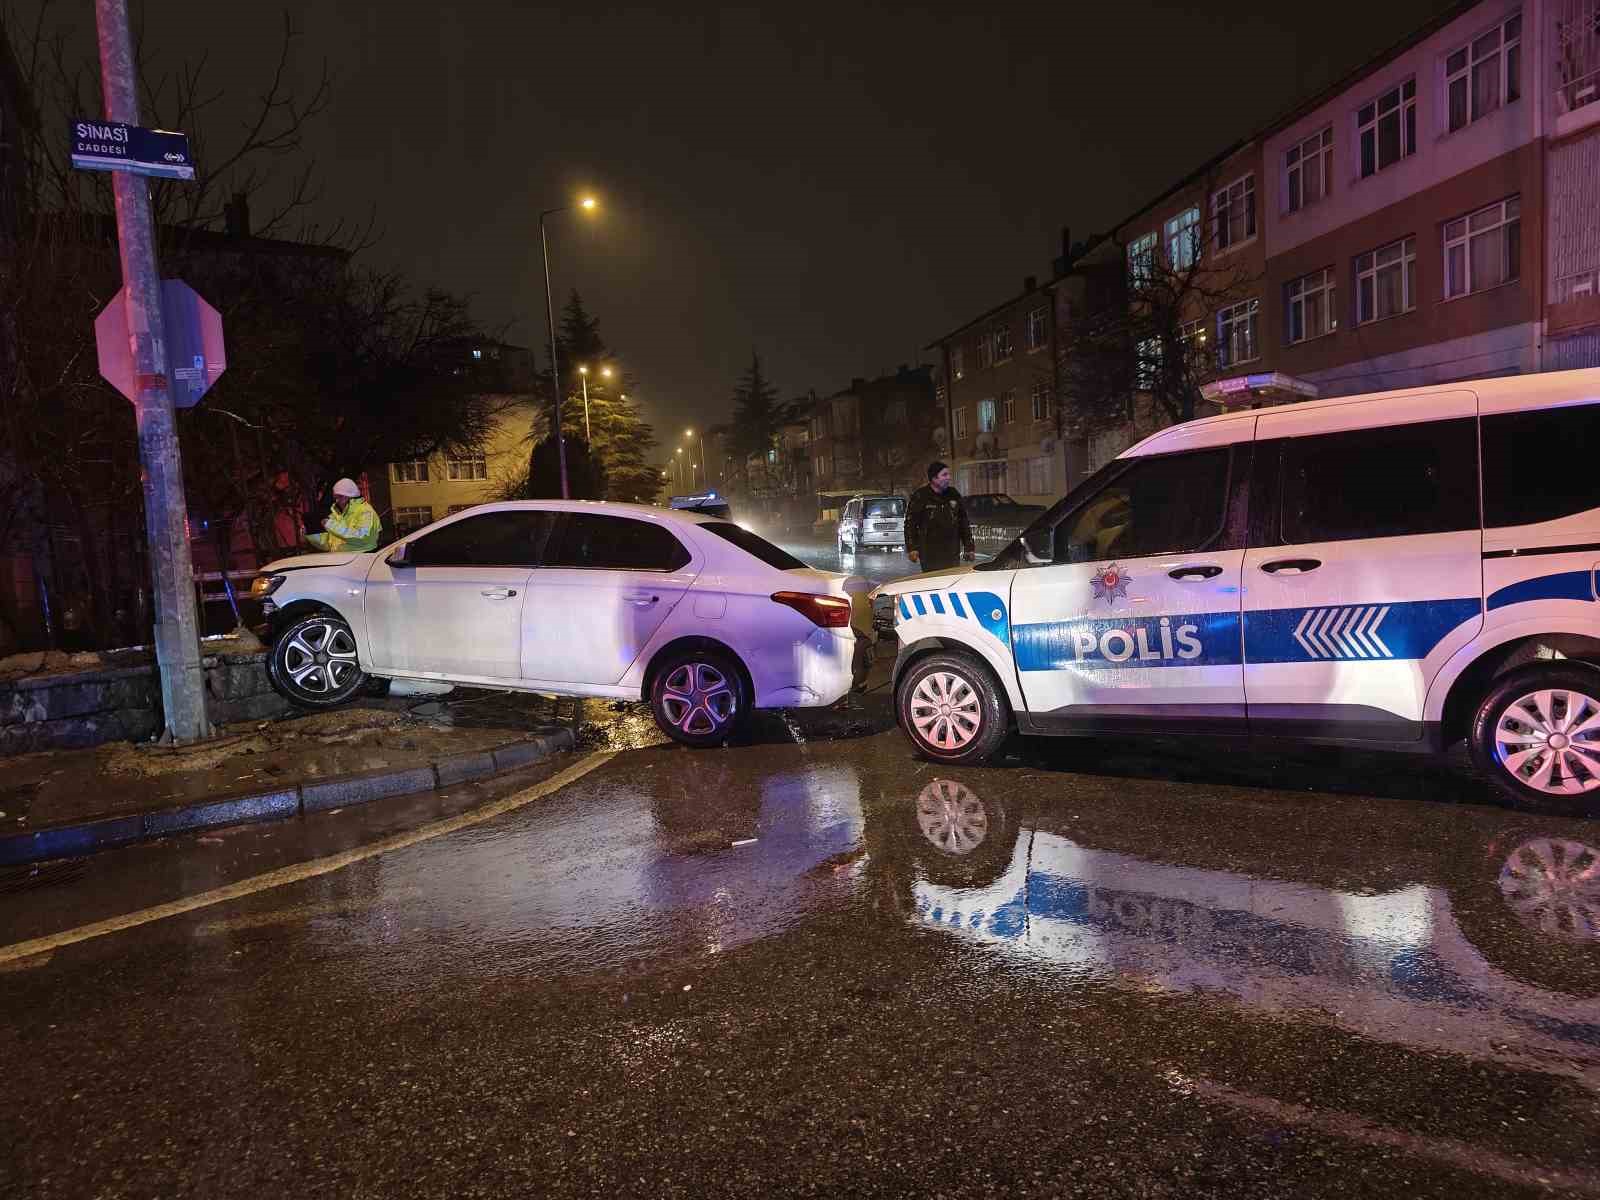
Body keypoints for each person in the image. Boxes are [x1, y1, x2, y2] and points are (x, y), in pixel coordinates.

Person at [905, 461, 975, 572]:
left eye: (949, 474)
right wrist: (912, 548)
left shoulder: (953, 494)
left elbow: (963, 521)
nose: (948, 478)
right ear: (934, 478)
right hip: (929, 553)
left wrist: (969, 547)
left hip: (951, 551)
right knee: (934, 582)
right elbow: (910, 524)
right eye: (944, 475)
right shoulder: (921, 496)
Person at [305, 478, 382, 552]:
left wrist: (330, 524)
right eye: (335, 497)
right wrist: (311, 534)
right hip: (342, 560)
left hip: (363, 559)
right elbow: (331, 543)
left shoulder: (365, 511)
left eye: (340, 496)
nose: (337, 500)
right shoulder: (337, 514)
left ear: (351, 496)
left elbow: (362, 537)